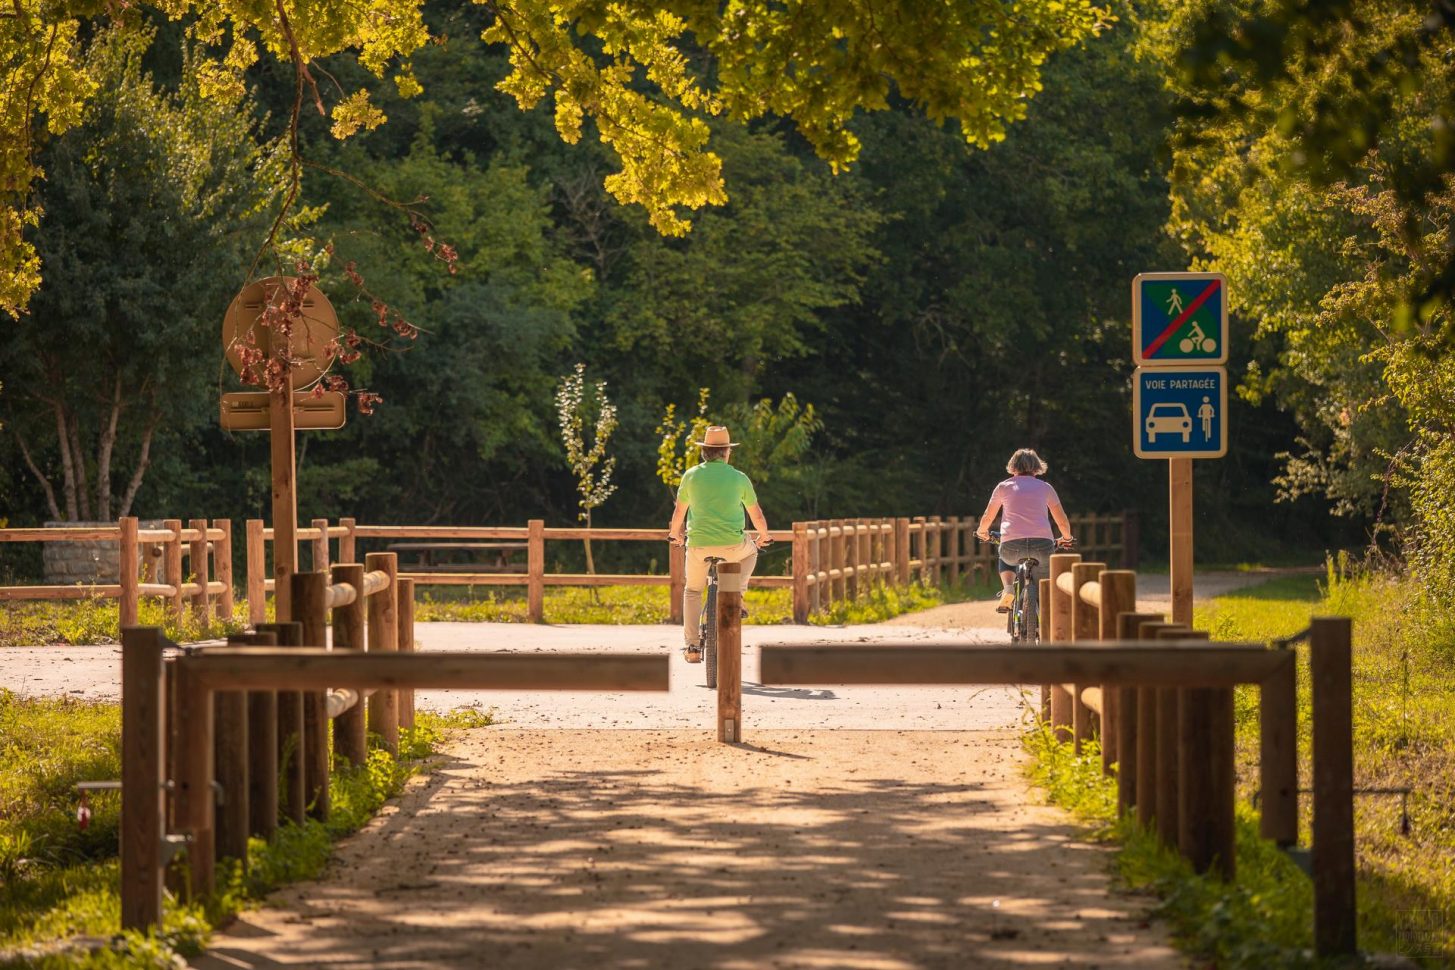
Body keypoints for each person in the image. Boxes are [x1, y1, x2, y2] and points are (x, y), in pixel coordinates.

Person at [667, 425, 772, 661]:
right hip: (733, 546)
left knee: (693, 590)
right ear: (727, 452)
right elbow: (756, 516)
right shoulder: (739, 478)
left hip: (698, 545)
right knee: (751, 553)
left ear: (704, 452)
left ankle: (692, 647)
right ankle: (737, 595)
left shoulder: (691, 476)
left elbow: (678, 515)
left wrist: (675, 535)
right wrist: (764, 536)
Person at [975, 449, 1073, 614]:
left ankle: (1008, 588)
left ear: (1012, 467)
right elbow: (1061, 520)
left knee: (1004, 549)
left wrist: (982, 532)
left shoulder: (1003, 487)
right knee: (1044, 585)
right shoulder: (1045, 488)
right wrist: (1067, 537)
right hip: (1042, 546)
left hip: (1012, 546)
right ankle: (1043, 615)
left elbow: (987, 517)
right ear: (1037, 468)